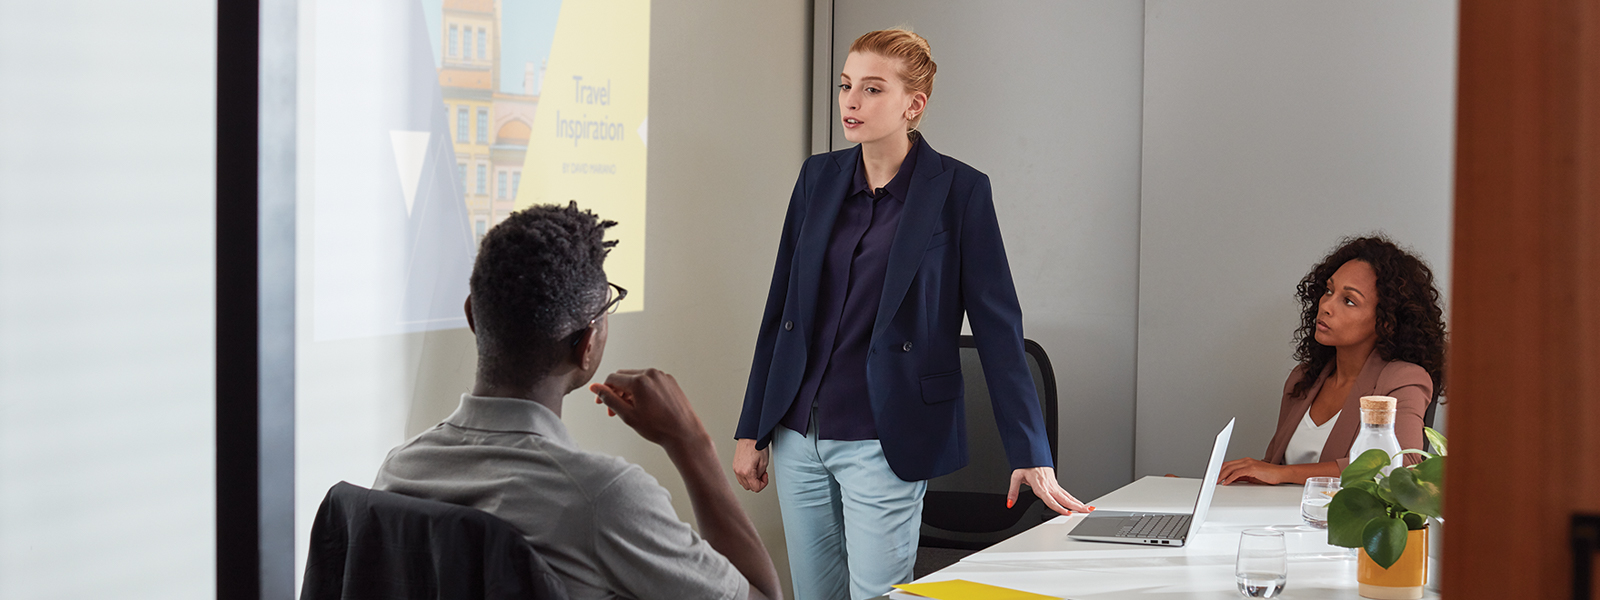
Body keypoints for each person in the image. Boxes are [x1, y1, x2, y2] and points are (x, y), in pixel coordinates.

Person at [731, 29, 1088, 600]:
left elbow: (999, 328)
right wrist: (752, 427)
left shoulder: (960, 191)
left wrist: (1030, 450)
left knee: (879, 595)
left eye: (872, 89)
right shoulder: (816, 179)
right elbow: (781, 311)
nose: (851, 101)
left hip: (883, 436)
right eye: (847, 86)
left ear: (912, 105)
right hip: (797, 432)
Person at [374, 203, 783, 600]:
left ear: (472, 317)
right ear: (587, 346)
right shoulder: (601, 499)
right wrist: (692, 444)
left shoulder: (399, 471)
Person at [1218, 235, 1447, 486]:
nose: (1326, 305)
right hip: (1281, 523)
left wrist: (1282, 474)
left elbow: (1401, 465)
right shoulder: (1303, 378)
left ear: (1385, 321)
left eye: (1349, 300)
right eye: (1329, 290)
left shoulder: (1402, 380)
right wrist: (1201, 489)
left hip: (1343, 524)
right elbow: (1272, 473)